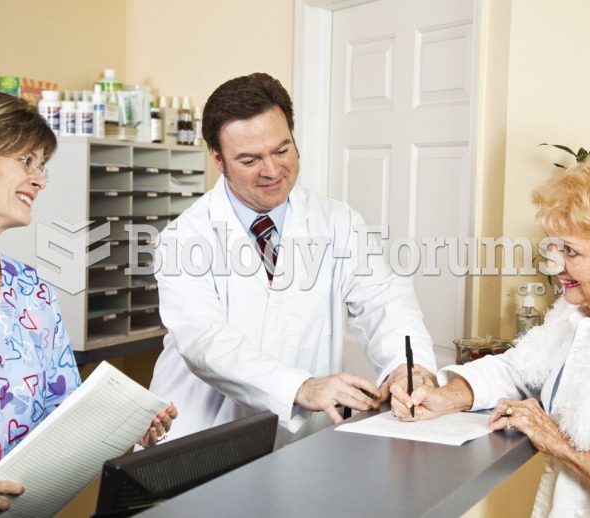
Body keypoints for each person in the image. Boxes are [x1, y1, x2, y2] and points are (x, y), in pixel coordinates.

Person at [0, 87, 178, 518]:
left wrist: (126, 426)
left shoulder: (31, 291)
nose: (41, 179)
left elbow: (60, 425)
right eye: (26, 162)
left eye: (43, 166)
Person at [390, 151, 590, 515]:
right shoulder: (580, 313)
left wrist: (561, 445)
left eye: (571, 251)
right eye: (554, 246)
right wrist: (448, 395)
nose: (554, 265)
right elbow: (520, 370)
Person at [148, 72, 438, 447]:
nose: (271, 170)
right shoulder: (184, 237)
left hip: (300, 442)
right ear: (218, 160)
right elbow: (206, 343)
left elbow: (384, 301)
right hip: (202, 437)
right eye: (250, 159)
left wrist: (406, 368)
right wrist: (301, 387)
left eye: (282, 150)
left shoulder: (337, 222)